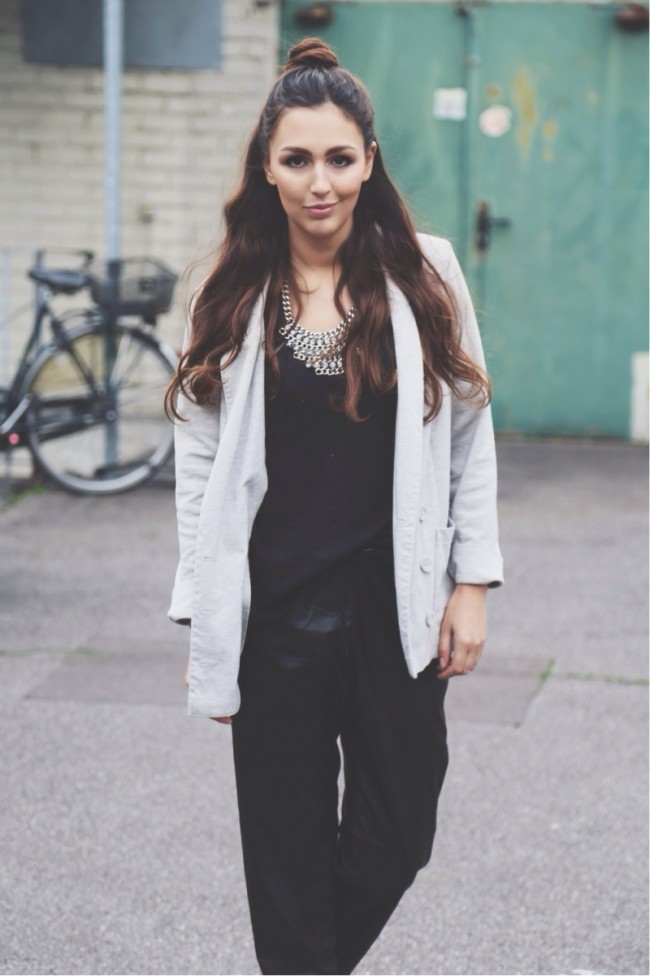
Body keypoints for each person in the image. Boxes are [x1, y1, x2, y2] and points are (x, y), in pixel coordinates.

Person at [166, 37, 504, 976]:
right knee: (287, 857)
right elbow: (200, 465)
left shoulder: (427, 273)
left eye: (340, 158)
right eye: (298, 159)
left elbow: (469, 430)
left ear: (369, 161)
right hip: (275, 616)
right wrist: (207, 614)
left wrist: (472, 582)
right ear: (267, 167)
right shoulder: (228, 291)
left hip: (394, 606)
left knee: (401, 832)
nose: (321, 182)